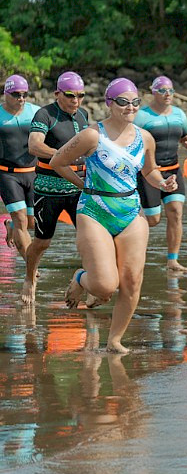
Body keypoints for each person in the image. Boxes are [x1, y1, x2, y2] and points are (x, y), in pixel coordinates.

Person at [49, 78, 177, 353]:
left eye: (135, 102)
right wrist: (83, 185)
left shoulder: (145, 138)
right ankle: (81, 279)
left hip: (131, 212)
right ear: (109, 103)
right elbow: (57, 161)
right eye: (123, 101)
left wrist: (163, 182)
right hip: (94, 211)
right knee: (105, 286)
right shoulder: (92, 135)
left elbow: (149, 171)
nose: (130, 107)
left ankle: (114, 341)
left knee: (131, 281)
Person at [23, 71, 91, 306]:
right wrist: (65, 156)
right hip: (48, 188)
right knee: (42, 242)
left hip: (78, 187)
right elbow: (34, 146)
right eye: (70, 95)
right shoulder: (45, 114)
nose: (76, 100)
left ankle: (87, 283)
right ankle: (30, 279)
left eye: (80, 95)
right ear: (57, 94)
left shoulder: (83, 115)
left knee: (90, 239)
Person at [134, 76, 187, 273]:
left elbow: (186, 137)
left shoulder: (179, 114)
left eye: (171, 90)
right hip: (149, 172)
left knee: (176, 213)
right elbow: (130, 140)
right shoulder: (142, 116)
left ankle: (173, 261)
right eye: (162, 90)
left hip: (173, 170)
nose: (168, 94)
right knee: (152, 220)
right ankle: (131, 250)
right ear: (153, 92)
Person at [2, 75, 39, 255]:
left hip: (32, 172)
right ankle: (31, 267)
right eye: (16, 94)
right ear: (5, 94)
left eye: (25, 94)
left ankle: (10, 225)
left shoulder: (36, 112)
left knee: (32, 223)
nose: (21, 98)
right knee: (21, 220)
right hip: (6, 174)